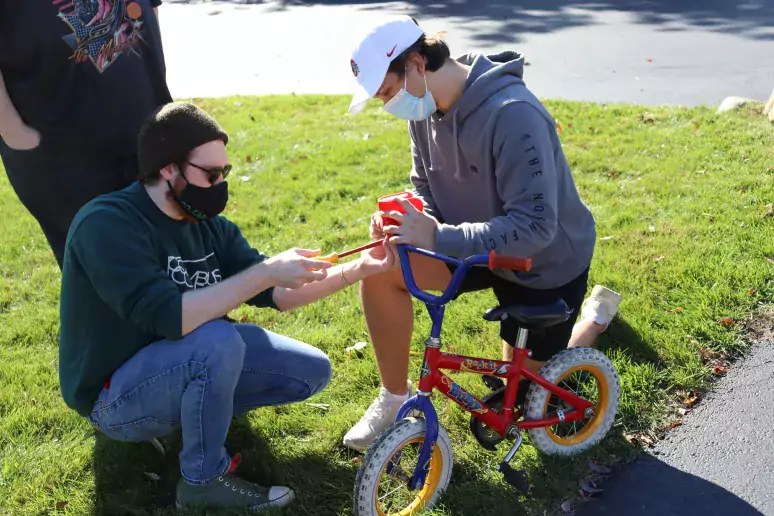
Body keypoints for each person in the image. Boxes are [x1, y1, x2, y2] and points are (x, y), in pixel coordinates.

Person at [58, 102, 395, 511]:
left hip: (179, 362)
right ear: (168, 168)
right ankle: (202, 480)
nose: (219, 184)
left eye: (225, 172)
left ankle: (193, 415)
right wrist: (264, 272)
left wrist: (360, 268)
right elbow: (169, 316)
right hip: (114, 397)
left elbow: (280, 294)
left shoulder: (207, 226)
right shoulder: (107, 223)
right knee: (216, 341)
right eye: (211, 174)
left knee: (309, 371)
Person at [341, 16, 622, 452]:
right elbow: (426, 189)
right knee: (381, 266)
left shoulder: (513, 115)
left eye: (387, 92)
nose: (387, 105)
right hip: (472, 246)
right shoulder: (425, 106)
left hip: (542, 263)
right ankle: (394, 399)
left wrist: (437, 237)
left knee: (532, 399)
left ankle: (594, 319)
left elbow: (535, 229)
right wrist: (408, 221)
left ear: (416, 64)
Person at [0, 0, 172, 269]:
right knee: (105, 270)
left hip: (143, 122)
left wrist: (156, 81)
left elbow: (150, 8)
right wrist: (14, 132)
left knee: (169, 254)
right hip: (62, 148)